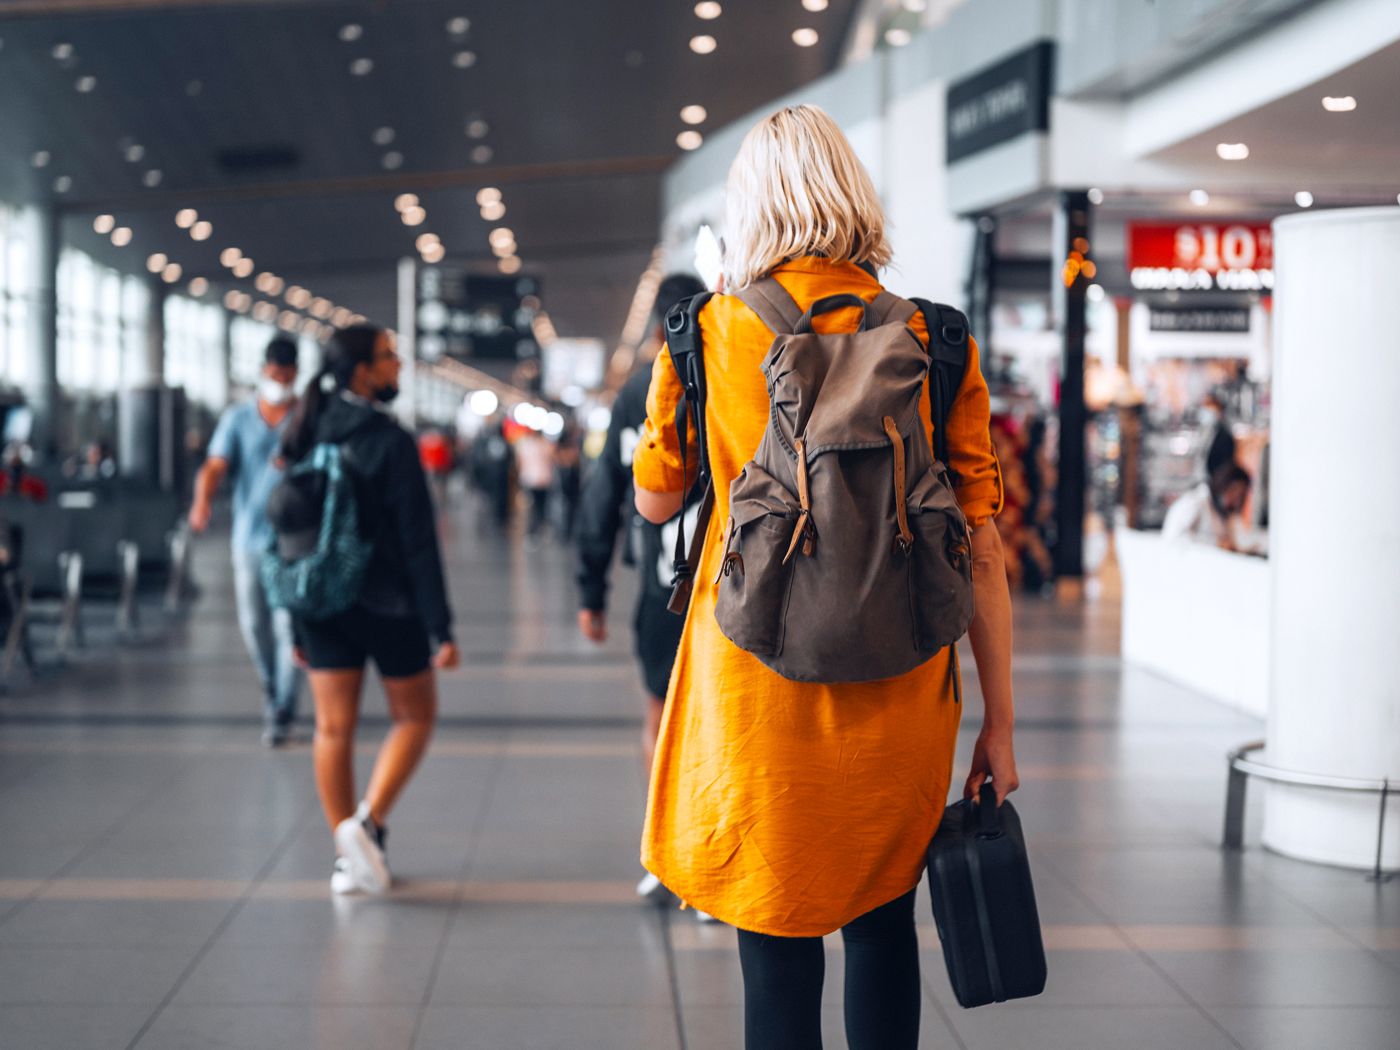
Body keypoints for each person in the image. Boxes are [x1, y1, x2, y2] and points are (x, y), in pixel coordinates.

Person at [632, 105, 1019, 1049]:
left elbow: (654, 500)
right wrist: (1001, 724)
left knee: (774, 943)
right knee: (884, 927)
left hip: (755, 683)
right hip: (902, 683)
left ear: (751, 206)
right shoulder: (936, 338)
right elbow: (981, 545)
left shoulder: (706, 332)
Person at [276, 324, 459, 896]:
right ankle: (368, 823)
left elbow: (288, 532)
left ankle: (345, 857)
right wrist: (440, 626)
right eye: (388, 356)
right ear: (362, 372)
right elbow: (418, 541)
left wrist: (296, 617)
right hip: (388, 605)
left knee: (332, 727)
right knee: (415, 717)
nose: (398, 364)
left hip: (319, 603)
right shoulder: (389, 440)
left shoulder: (303, 428)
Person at [575, 272, 706, 903]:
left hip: (661, 588)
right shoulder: (729, 376)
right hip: (729, 588)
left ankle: (665, 852)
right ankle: (710, 860)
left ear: (658, 329)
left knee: (659, 715)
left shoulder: (634, 395)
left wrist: (591, 591)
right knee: (717, 720)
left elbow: (603, 494)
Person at [189, 337, 302, 747]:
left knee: (289, 626)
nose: (279, 381)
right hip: (250, 539)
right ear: (263, 371)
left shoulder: (306, 417)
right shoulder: (237, 419)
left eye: (286, 375)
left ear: (295, 373)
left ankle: (282, 708)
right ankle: (271, 686)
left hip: (295, 542)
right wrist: (202, 502)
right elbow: (214, 465)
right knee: (255, 625)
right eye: (274, 374)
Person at [1161, 460, 1252, 551]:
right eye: (1234, 490)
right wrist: (1216, 543)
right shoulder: (1194, 502)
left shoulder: (1227, 514)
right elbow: (1175, 539)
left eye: (1240, 495)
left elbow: (1239, 539)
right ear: (1223, 484)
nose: (1235, 498)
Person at [515, 427, 555, 538]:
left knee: (534, 507)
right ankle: (536, 528)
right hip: (539, 480)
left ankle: (534, 529)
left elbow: (519, 463)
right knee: (539, 507)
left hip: (532, 480)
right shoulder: (543, 445)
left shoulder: (526, 445)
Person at [1200, 391, 1236, 479]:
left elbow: (1226, 465)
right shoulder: (1205, 433)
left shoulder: (1225, 437)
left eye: (1210, 408)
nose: (1206, 413)